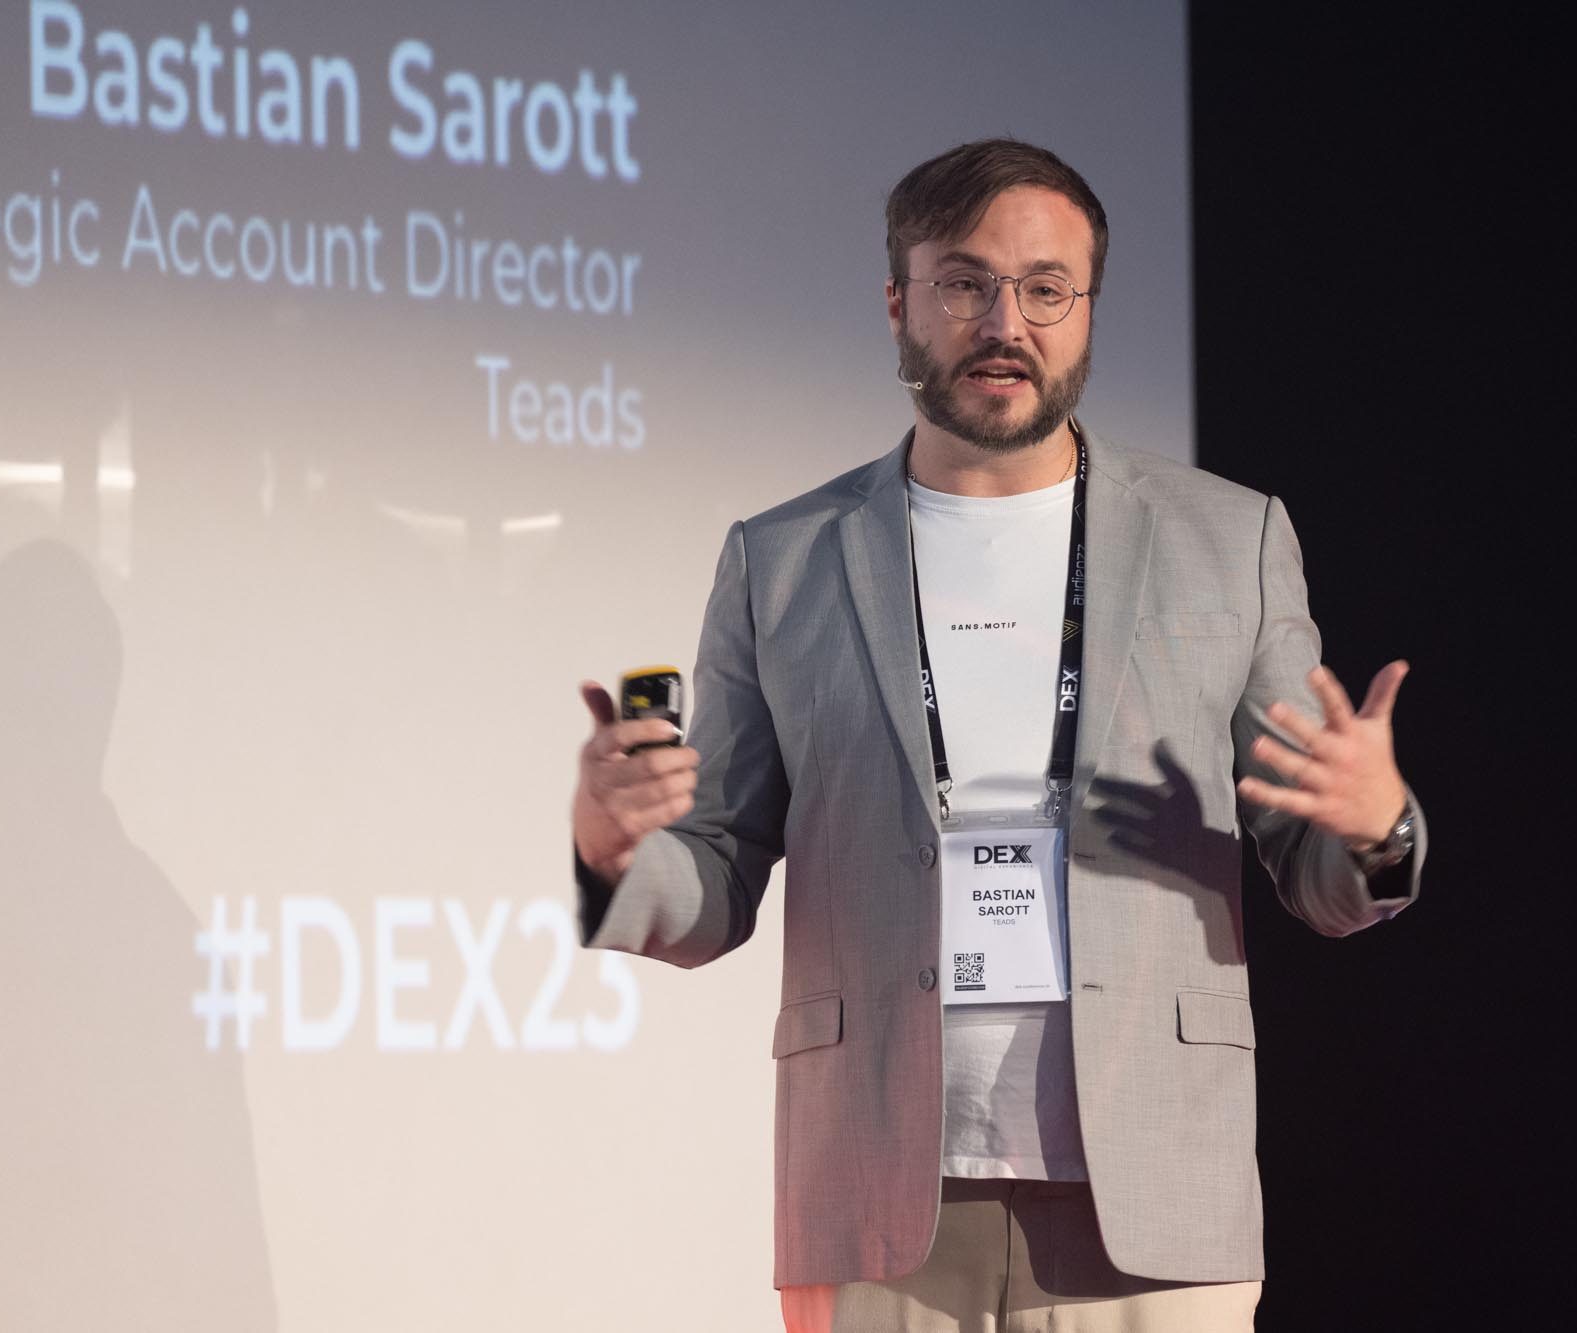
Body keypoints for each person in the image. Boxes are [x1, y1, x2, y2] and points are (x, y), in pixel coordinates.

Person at [572, 138, 1424, 1333]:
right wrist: (616, 856)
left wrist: (1375, 829)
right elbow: (713, 874)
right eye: (964, 283)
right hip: (876, 1197)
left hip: (1152, 1195)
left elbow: (1321, 878)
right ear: (897, 303)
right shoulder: (782, 559)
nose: (1004, 323)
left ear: (1086, 309)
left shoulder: (1227, 538)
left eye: (1044, 288)